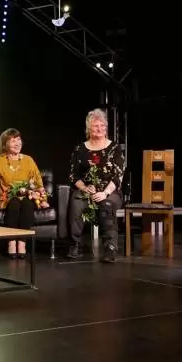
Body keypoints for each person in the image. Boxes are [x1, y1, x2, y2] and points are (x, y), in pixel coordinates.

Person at [66, 109, 126, 262]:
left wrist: (104, 193)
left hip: (109, 191)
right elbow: (73, 175)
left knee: (106, 204)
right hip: (87, 190)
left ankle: (110, 248)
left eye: (102, 126)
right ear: (89, 129)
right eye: (95, 126)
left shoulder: (114, 148)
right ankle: (75, 244)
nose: (99, 129)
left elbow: (118, 176)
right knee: (76, 200)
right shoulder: (80, 149)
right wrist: (84, 188)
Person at [0, 128, 43, 258]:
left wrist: (39, 194)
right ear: (5, 144)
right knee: (14, 203)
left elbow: (38, 181)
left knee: (27, 204)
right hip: (8, 197)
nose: (17, 143)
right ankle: (11, 241)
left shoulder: (28, 160)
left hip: (27, 195)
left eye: (19, 140)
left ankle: (22, 242)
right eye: (13, 141)